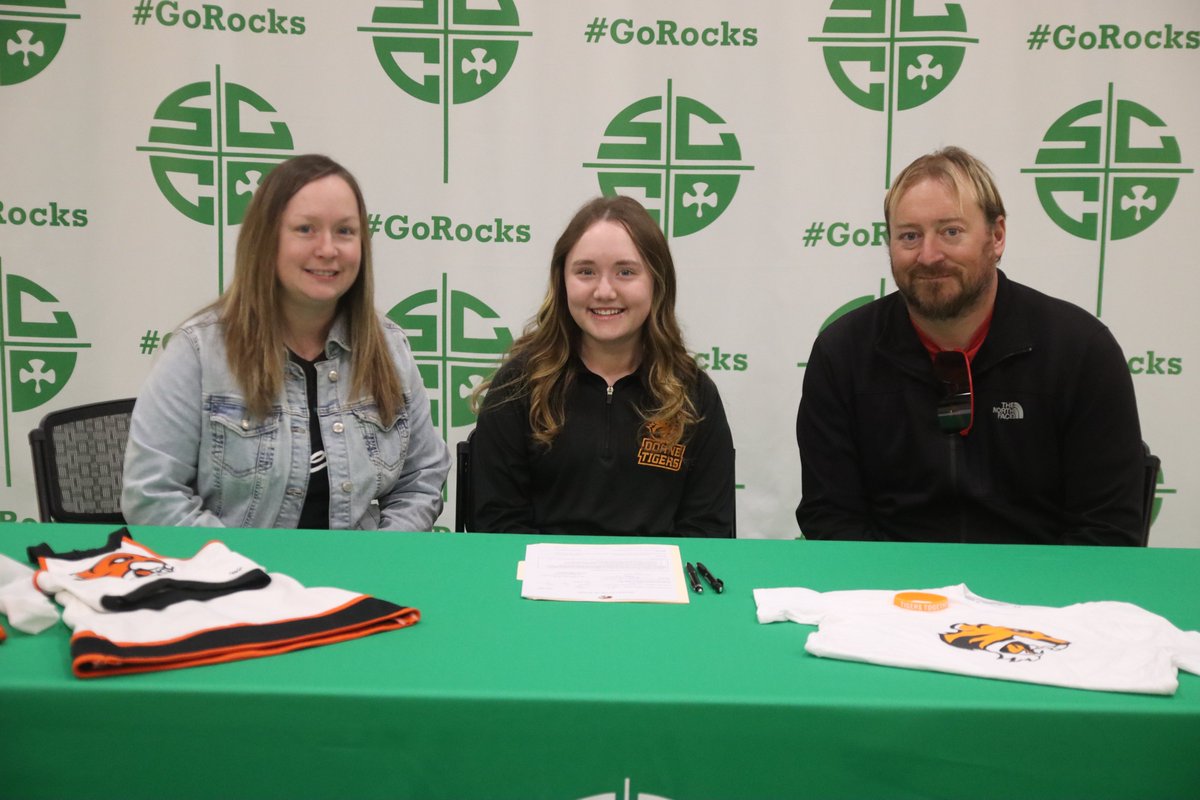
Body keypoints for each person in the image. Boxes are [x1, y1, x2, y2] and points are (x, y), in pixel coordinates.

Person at [796, 146, 1143, 545]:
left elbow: (1108, 529)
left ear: (996, 237)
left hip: (1041, 597)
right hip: (892, 596)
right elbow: (831, 519)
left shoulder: (1082, 351)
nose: (929, 255)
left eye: (951, 232)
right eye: (909, 236)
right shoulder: (842, 354)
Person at [122, 154, 450, 530]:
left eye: (345, 231)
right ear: (267, 240)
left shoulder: (389, 349)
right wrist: (247, 572)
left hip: (359, 580)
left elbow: (421, 479)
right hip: (235, 581)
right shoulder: (198, 352)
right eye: (306, 229)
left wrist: (378, 558)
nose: (328, 249)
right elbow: (153, 497)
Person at [469, 195, 735, 536]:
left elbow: (708, 529)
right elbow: (495, 522)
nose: (604, 291)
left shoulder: (693, 393)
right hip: (537, 583)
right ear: (561, 280)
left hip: (657, 586)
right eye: (586, 272)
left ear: (657, 281)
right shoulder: (519, 385)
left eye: (625, 272)